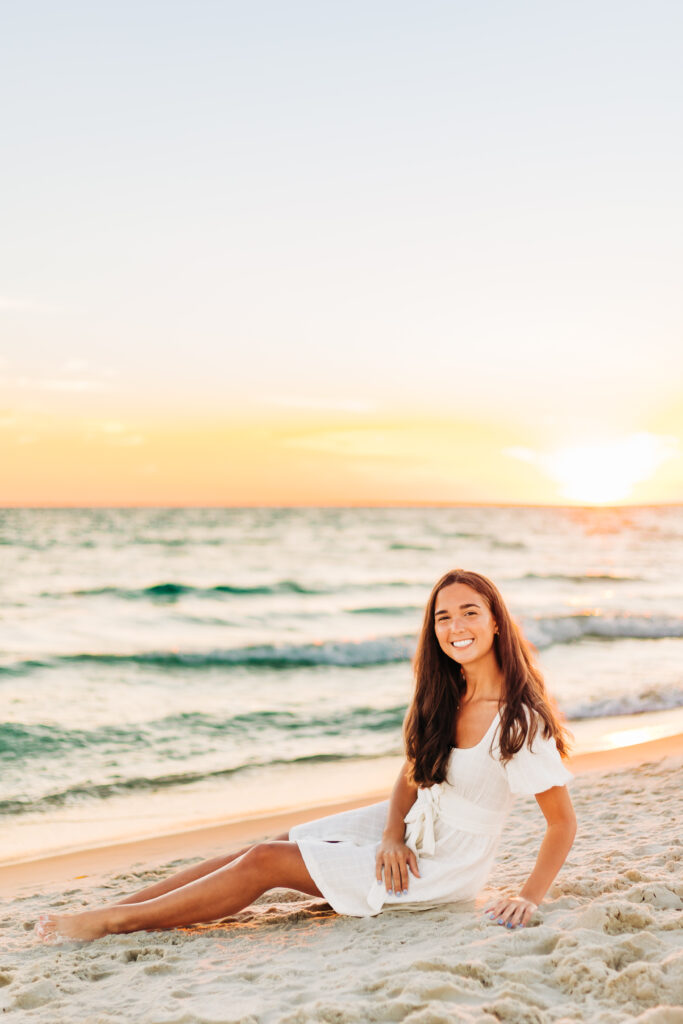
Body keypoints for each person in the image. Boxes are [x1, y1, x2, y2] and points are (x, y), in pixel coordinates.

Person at [36, 568, 576, 943]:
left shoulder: (519, 719)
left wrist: (528, 897)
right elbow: (413, 774)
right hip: (408, 830)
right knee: (272, 843)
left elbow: (561, 824)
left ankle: (114, 925)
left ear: (496, 621)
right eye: (443, 618)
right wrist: (390, 834)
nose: (456, 627)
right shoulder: (444, 694)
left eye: (469, 613)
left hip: (444, 864)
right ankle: (117, 909)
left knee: (264, 864)